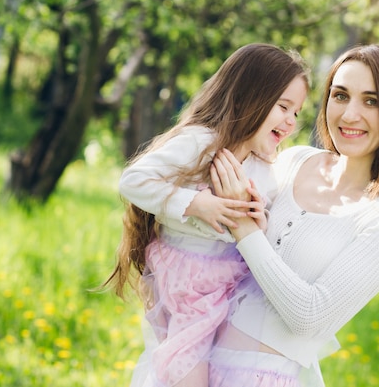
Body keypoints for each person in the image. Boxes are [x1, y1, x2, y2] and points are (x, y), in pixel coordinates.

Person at [207, 44, 379, 387]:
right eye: (340, 96)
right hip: (200, 358)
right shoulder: (294, 160)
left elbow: (310, 317)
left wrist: (243, 226)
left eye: (372, 101)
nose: (349, 114)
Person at [102, 43, 309, 387]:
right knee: (185, 373)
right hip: (186, 284)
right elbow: (133, 180)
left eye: (297, 112)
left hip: (227, 285)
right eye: (283, 107)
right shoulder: (201, 142)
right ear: (248, 98)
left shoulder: (264, 169)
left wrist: (259, 217)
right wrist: (196, 204)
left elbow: (254, 228)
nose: (290, 121)